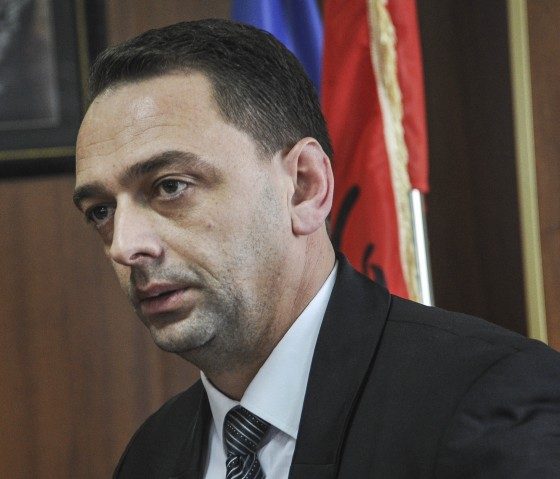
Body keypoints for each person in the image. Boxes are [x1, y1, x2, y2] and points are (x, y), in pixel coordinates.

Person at [73, 19, 560, 479]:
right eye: (100, 211)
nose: (125, 245)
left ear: (304, 187)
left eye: (170, 186)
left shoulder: (486, 400)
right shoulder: (151, 456)